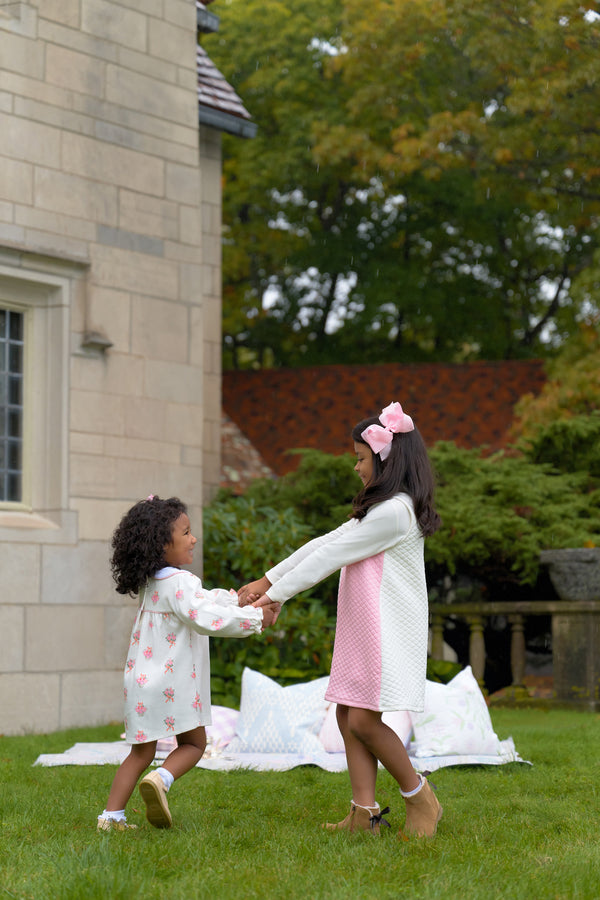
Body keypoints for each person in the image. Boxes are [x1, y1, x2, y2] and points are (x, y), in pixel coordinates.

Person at [238, 402, 443, 839]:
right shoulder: (380, 509)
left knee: (364, 721)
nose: (356, 467)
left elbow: (330, 557)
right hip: (365, 628)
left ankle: (420, 796)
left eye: (361, 458)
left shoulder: (396, 512)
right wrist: (267, 581)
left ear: (386, 462)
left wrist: (274, 596)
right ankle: (363, 813)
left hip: (385, 633)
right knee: (347, 714)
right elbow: (324, 543)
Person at [97, 495, 277, 832]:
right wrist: (255, 618)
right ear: (162, 544)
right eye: (186, 533)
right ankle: (161, 779)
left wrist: (237, 601)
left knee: (139, 753)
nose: (194, 539)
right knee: (194, 745)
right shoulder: (180, 583)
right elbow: (206, 617)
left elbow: (204, 602)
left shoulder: (153, 583)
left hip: (142, 683)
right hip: (174, 685)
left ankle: (111, 817)